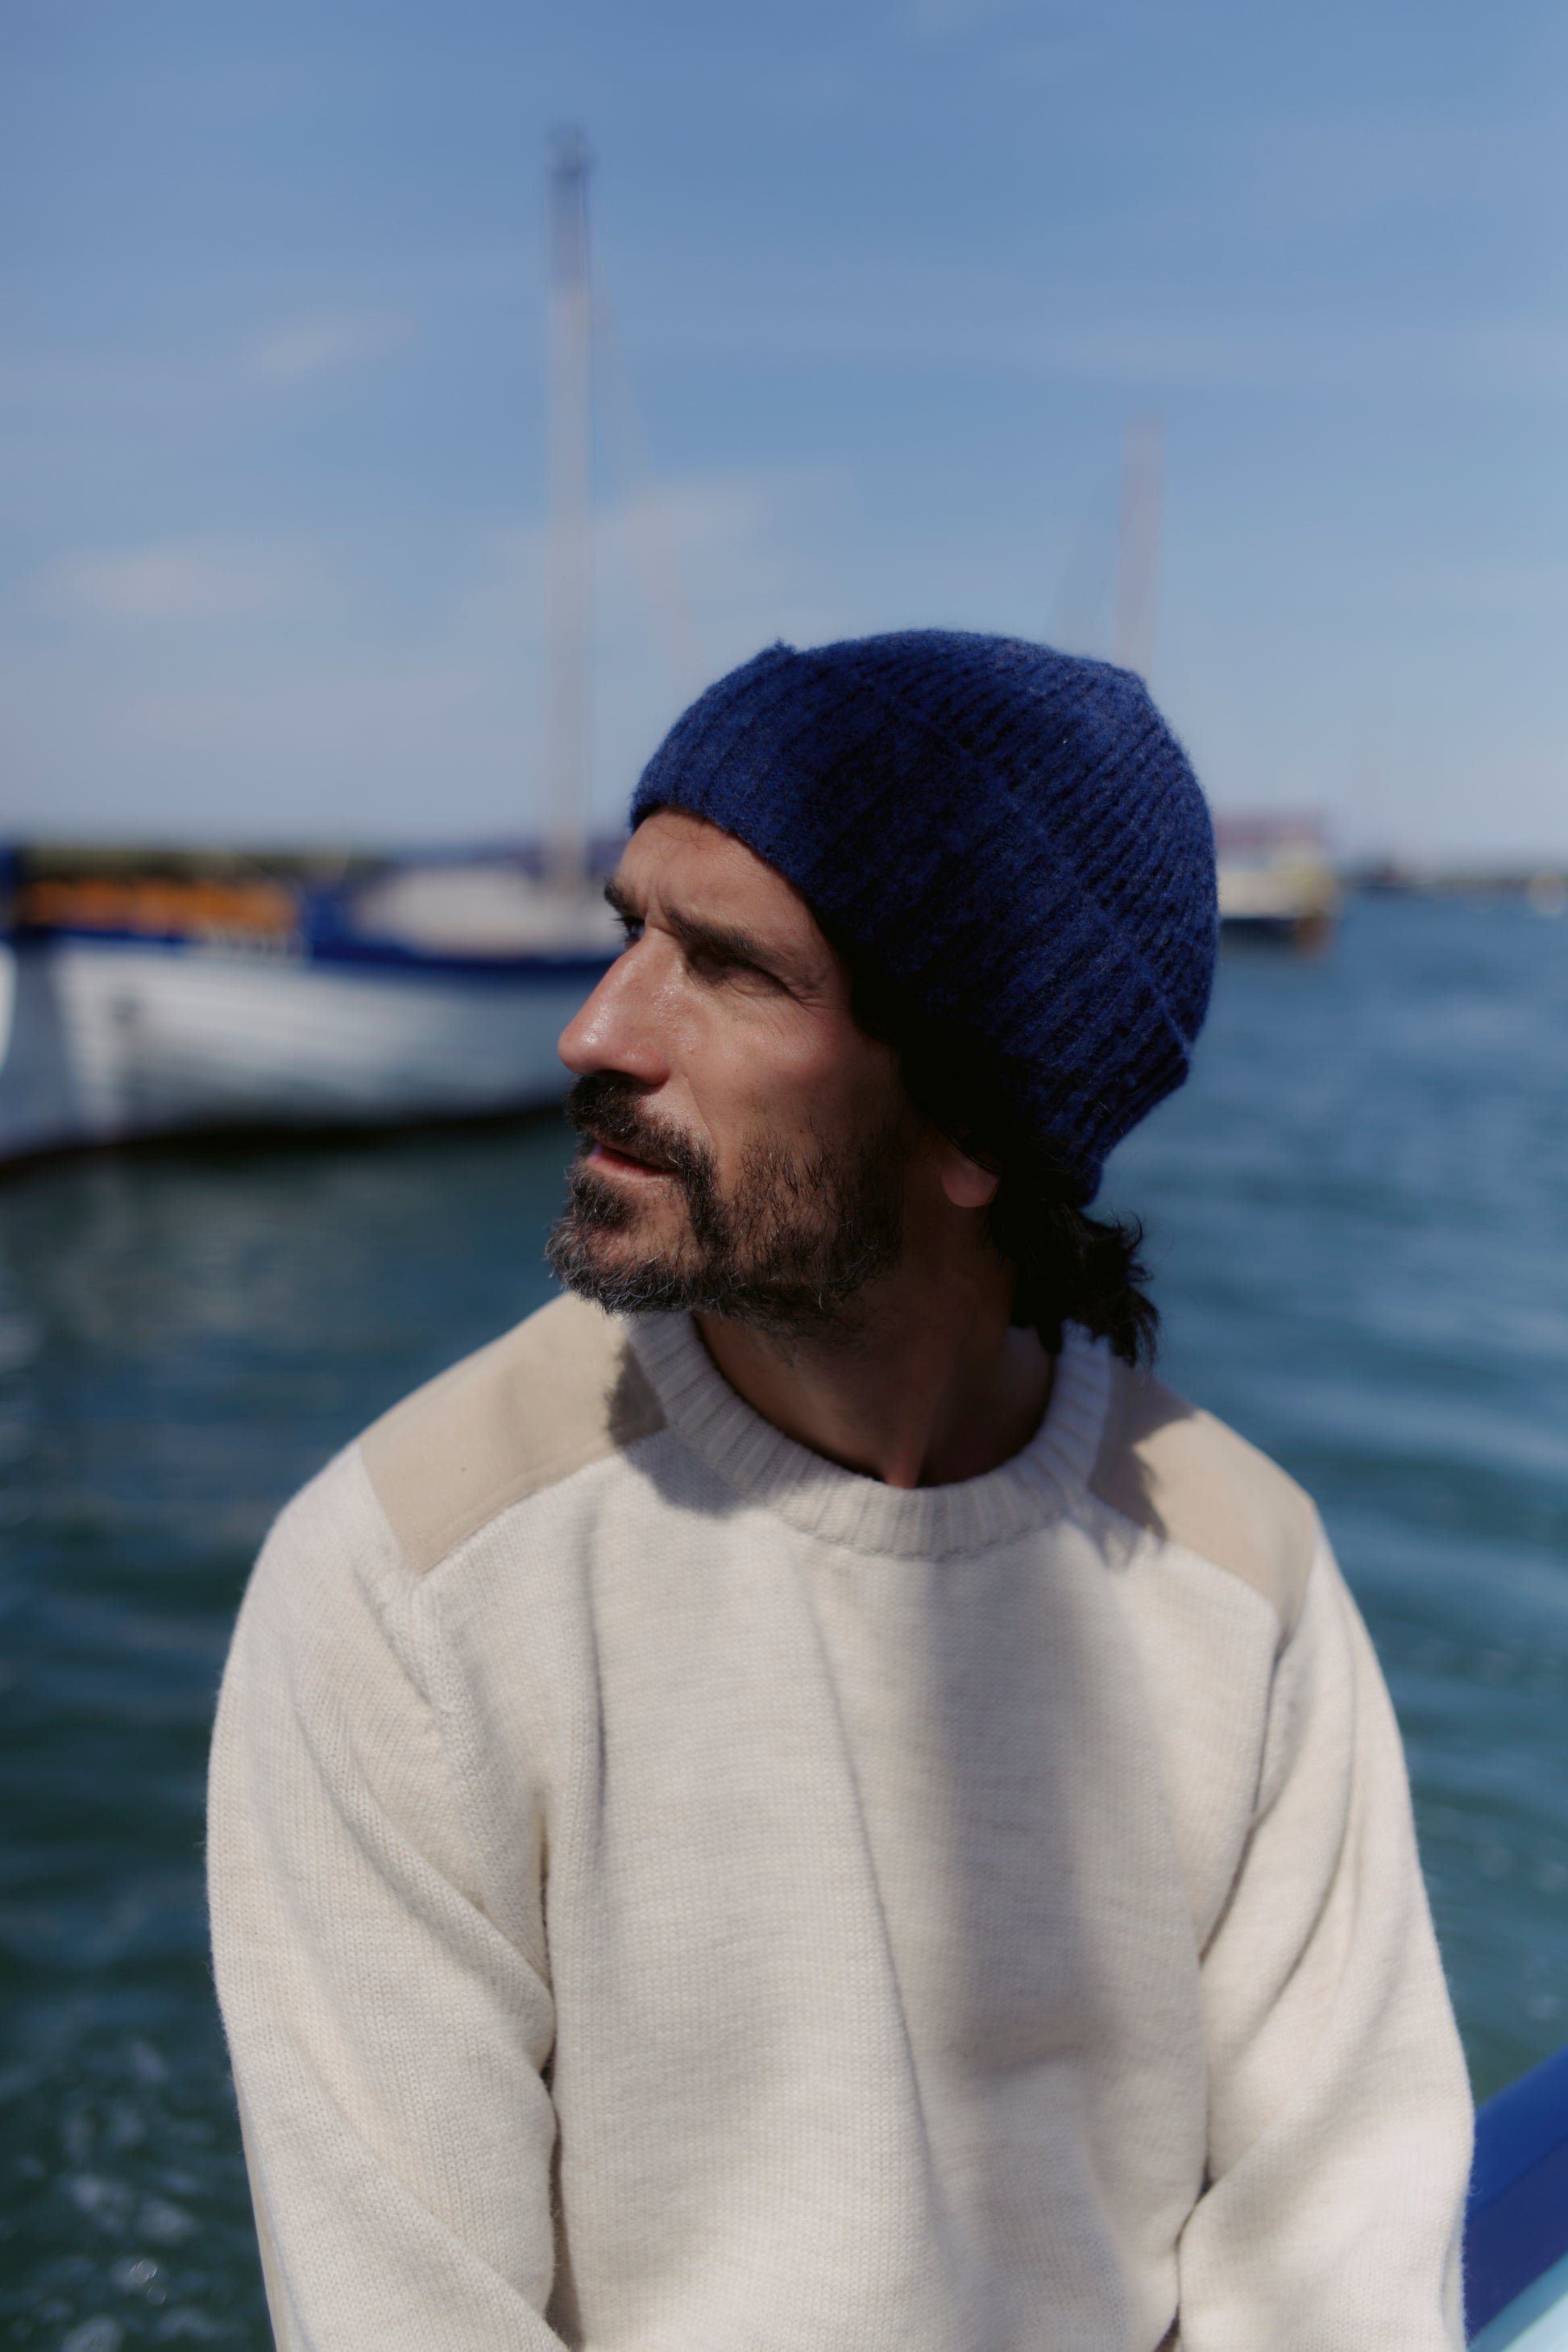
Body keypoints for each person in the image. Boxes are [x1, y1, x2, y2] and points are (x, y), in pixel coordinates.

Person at [209, 632, 1472, 2352]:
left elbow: (1337, 2274)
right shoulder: (412, 1574)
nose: (597, 1028)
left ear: (974, 1127)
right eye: (627, 927)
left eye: (726, 967)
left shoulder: (1240, 1577)